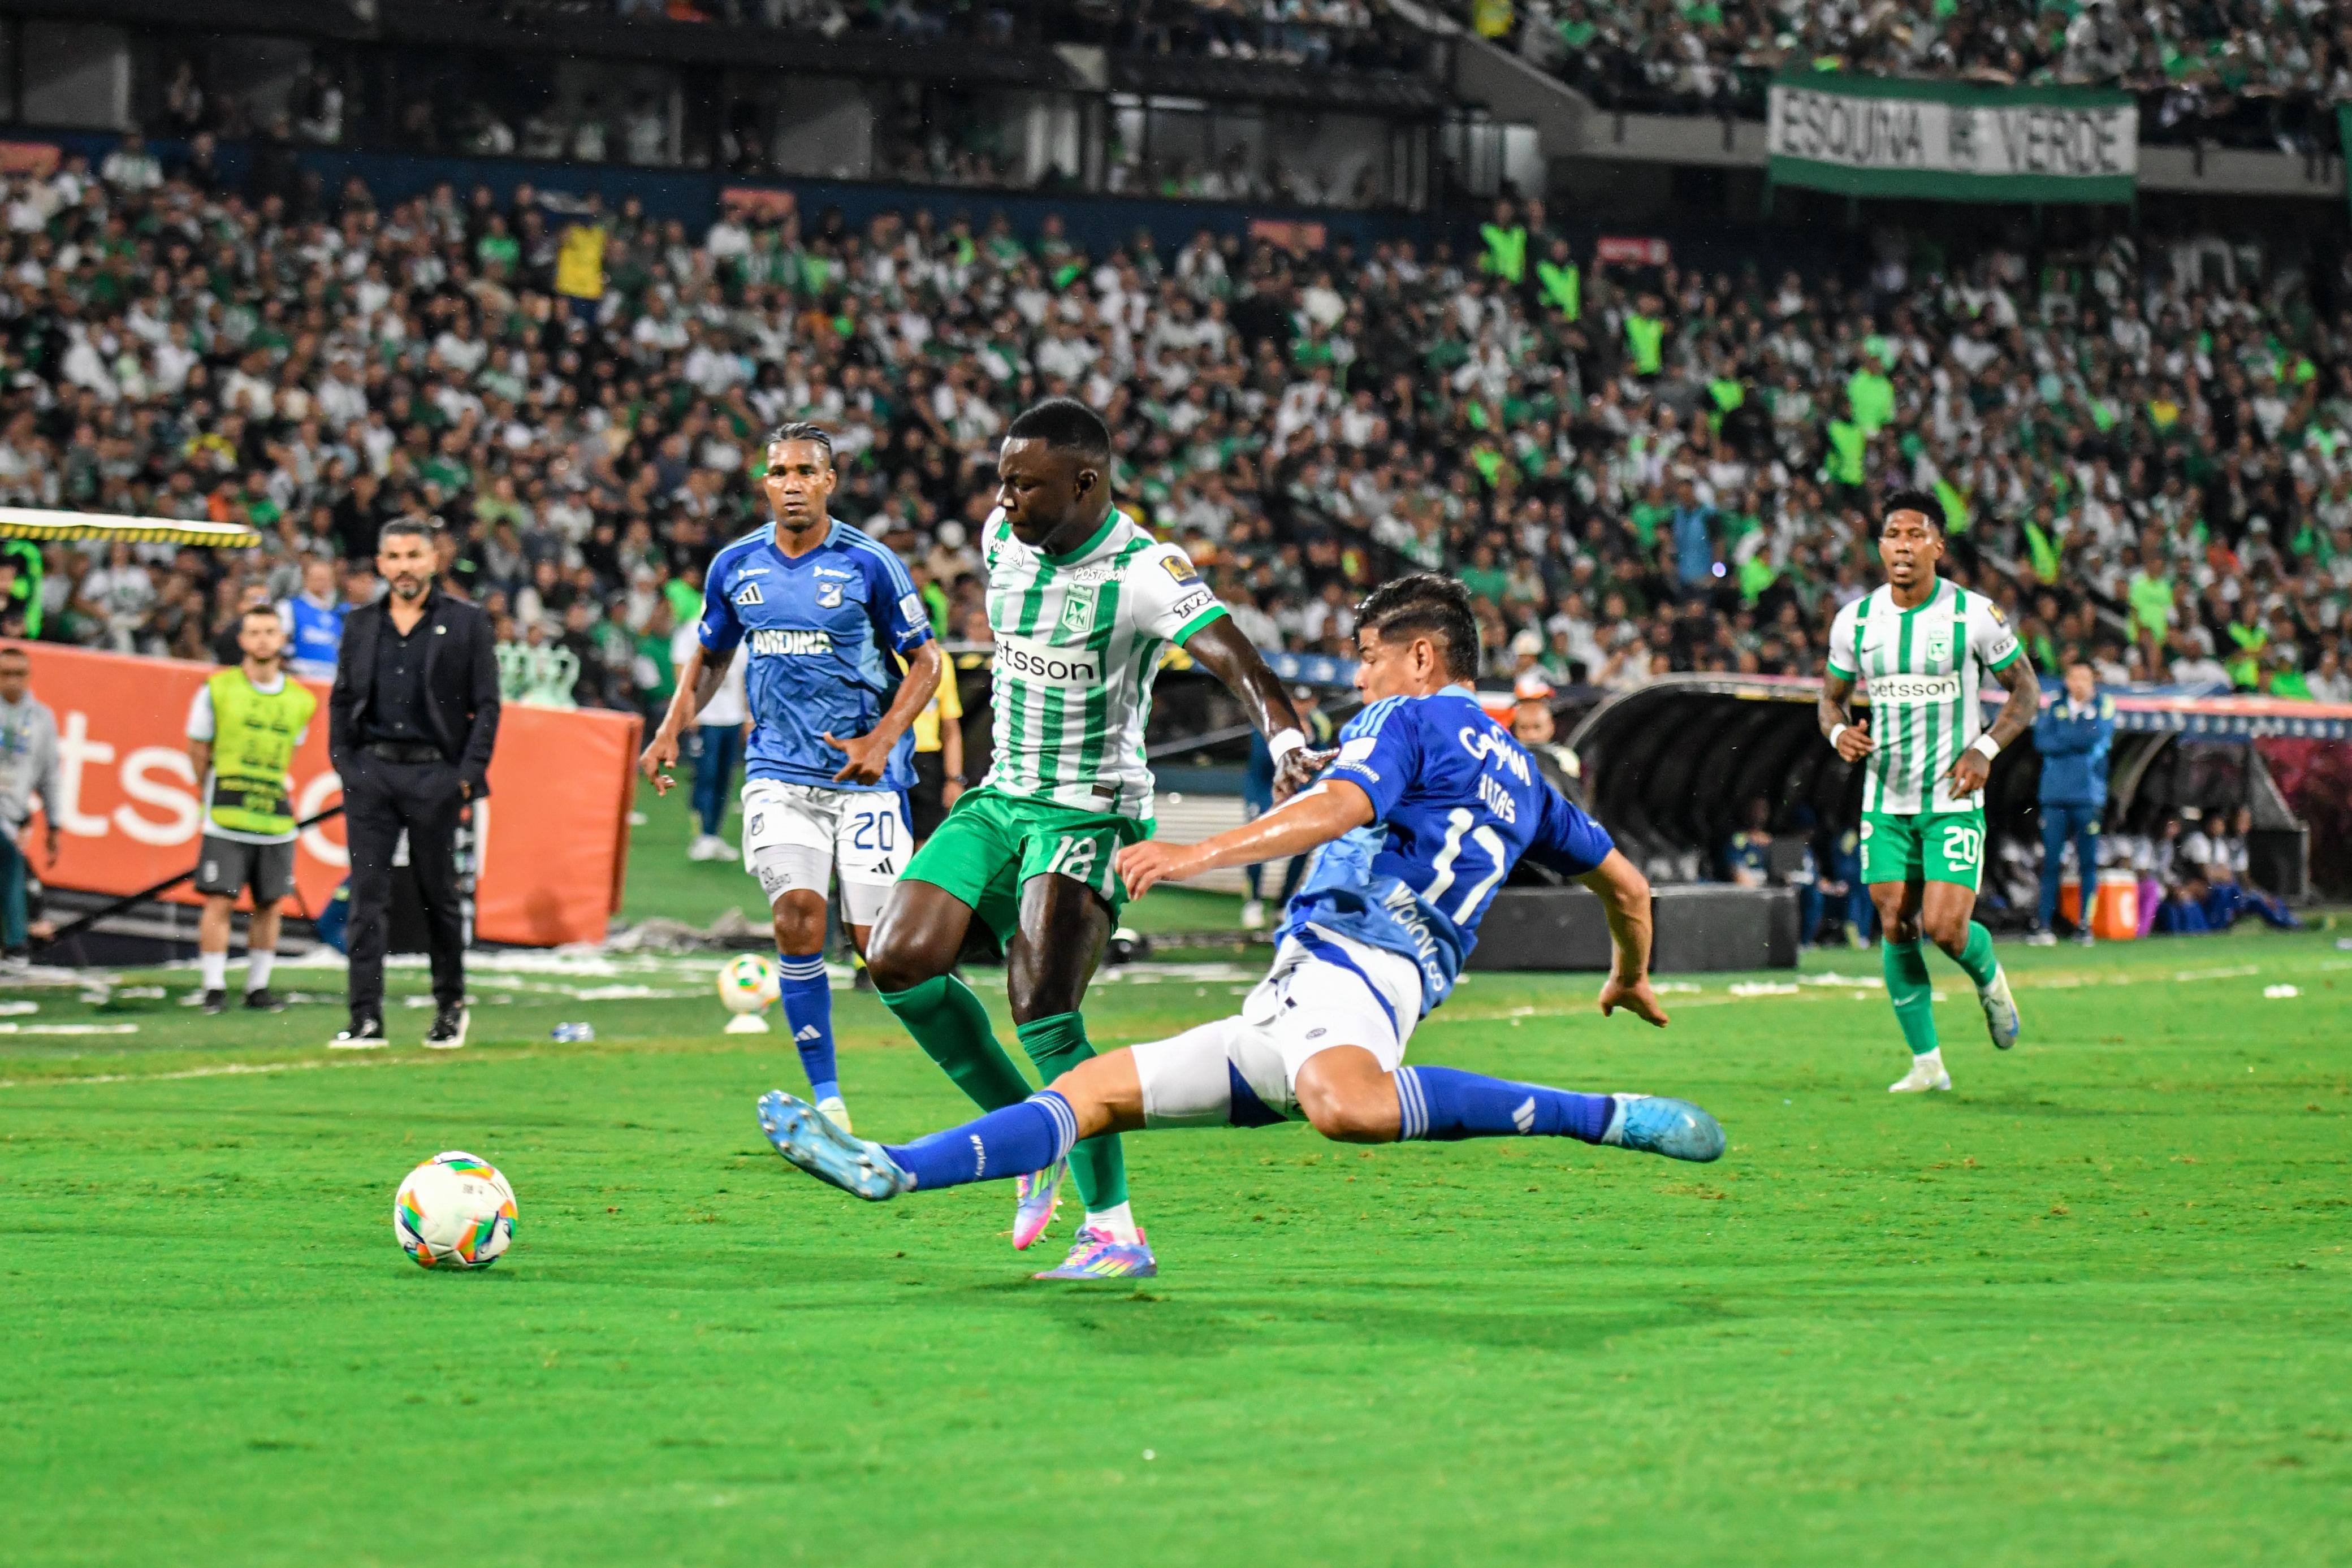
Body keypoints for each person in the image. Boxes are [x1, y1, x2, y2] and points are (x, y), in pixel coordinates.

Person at [756, 574, 1723, 1234]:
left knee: (1347, 1105)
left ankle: (1600, 1115)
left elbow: (1340, 803)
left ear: (1423, 657)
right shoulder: (1530, 778)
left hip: (1356, 965)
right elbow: (1628, 887)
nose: (1360, 678)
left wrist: (1198, 853)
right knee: (1087, 1096)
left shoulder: (1409, 715)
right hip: (1307, 991)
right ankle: (894, 1165)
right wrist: (1629, 972)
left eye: (1370, 657)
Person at [861, 397, 1314, 1280]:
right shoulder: (1002, 538)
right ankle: (1035, 1140)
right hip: (1002, 799)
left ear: (1086, 482)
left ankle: (1115, 1229)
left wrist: (1288, 738)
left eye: (1024, 484)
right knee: (899, 961)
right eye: (1001, 480)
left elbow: (1232, 654)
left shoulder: (1145, 570)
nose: (1005, 499)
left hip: (1090, 809)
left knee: (1042, 1008)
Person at [640, 425, 941, 1133]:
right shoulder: (735, 565)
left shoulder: (870, 563)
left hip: (866, 778)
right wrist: (670, 727)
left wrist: (882, 737)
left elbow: (926, 662)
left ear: (829, 481)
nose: (793, 482)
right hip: (778, 771)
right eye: (780, 471)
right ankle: (828, 1100)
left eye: (807, 470)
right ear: (766, 484)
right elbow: (712, 654)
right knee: (796, 916)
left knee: (884, 953)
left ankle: (981, 1068)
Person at [1819, 489, 2041, 1094]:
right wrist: (1838, 731)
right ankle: (1927, 1063)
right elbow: (1829, 697)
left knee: (1945, 928)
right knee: (1894, 921)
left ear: (1936, 547)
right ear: (1880, 545)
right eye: (1893, 533)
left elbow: (2025, 691)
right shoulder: (1856, 620)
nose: (1902, 544)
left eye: (1916, 534)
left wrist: (1985, 748)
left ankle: (1989, 979)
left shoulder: (1973, 614)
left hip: (1951, 796)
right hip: (1884, 799)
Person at [326, 521, 501, 1049]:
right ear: (380, 564)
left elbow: (487, 704)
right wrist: (346, 765)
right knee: (367, 897)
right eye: (394, 556)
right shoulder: (359, 624)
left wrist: (466, 776)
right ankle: (365, 1018)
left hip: (435, 774)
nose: (403, 566)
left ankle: (449, 1007)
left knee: (437, 897)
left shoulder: (468, 623)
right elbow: (341, 699)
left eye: (413, 555)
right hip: (372, 773)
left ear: (433, 560)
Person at [186, 605, 315, 1013]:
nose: (262, 639)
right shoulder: (216, 689)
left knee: (270, 903)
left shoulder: (301, 700)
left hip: (274, 816)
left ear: (281, 640)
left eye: (270, 632)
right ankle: (213, 987)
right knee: (219, 900)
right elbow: (198, 747)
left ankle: (258, 987)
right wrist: (205, 791)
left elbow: (291, 750)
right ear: (241, 640)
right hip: (226, 813)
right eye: (255, 632)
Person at [2029, 660, 2114, 946]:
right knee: (2051, 861)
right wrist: (2076, 736)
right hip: (2054, 796)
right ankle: (2043, 925)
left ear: (2093, 681)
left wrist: (2065, 734)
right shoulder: (2053, 705)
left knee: (2088, 863)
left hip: (2088, 797)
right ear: (2066, 679)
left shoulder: (2104, 705)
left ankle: (2084, 925)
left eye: (2085, 678)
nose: (2079, 683)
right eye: (2074, 677)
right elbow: (2042, 742)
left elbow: (2096, 737)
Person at [1241, 685, 1331, 931]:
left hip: (1300, 790)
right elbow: (1261, 763)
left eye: (1306, 701)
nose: (1301, 706)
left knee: (1304, 847)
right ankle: (1253, 901)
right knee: (1257, 843)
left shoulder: (1320, 723)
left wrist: (1309, 794)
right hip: (1264, 786)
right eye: (1296, 701)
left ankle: (1282, 904)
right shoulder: (1270, 719)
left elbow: (1319, 763)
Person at [667, 608, 747, 863]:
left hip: (732, 714)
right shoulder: (694, 627)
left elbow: (744, 674)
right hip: (707, 713)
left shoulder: (740, 628)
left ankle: (714, 834)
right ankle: (701, 835)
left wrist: (747, 714)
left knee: (725, 776)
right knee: (706, 774)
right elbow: (681, 666)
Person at [0, 646, 59, 968]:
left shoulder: (40, 718)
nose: (12, 681)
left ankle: (16, 944)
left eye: (19, 674)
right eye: (5, 674)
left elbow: (51, 774)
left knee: (13, 865)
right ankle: (16, 945)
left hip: (12, 813)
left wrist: (56, 823)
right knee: (10, 862)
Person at [905, 649, 965, 846]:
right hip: (886, 757)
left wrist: (955, 779)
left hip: (925, 761)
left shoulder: (939, 658)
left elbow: (950, 728)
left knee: (925, 843)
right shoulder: (881, 652)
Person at [278, 557, 349, 679]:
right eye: (318, 578)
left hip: (330, 682)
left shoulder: (339, 615)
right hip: (300, 680)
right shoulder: (289, 607)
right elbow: (278, 646)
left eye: (326, 578)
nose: (322, 582)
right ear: (305, 579)